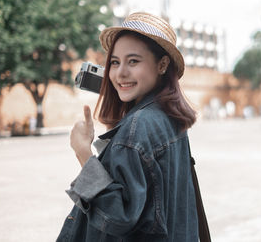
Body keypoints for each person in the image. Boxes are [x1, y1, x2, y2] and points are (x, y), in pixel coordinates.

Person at [57, 12, 199, 241]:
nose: (120, 73)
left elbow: (116, 216)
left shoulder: (139, 126)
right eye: (115, 62)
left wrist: (83, 153)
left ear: (162, 64)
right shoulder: (170, 118)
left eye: (133, 61)